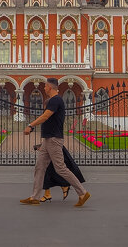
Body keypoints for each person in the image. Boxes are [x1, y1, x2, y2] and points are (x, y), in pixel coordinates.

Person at [20, 77, 91, 207]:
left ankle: (82, 192)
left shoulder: (56, 100)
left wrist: (31, 125)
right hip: (48, 139)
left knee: (60, 168)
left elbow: (46, 115)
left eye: (45, 86)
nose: (44, 88)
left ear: (51, 87)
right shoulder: (54, 100)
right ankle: (35, 197)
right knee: (40, 167)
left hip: (54, 139)